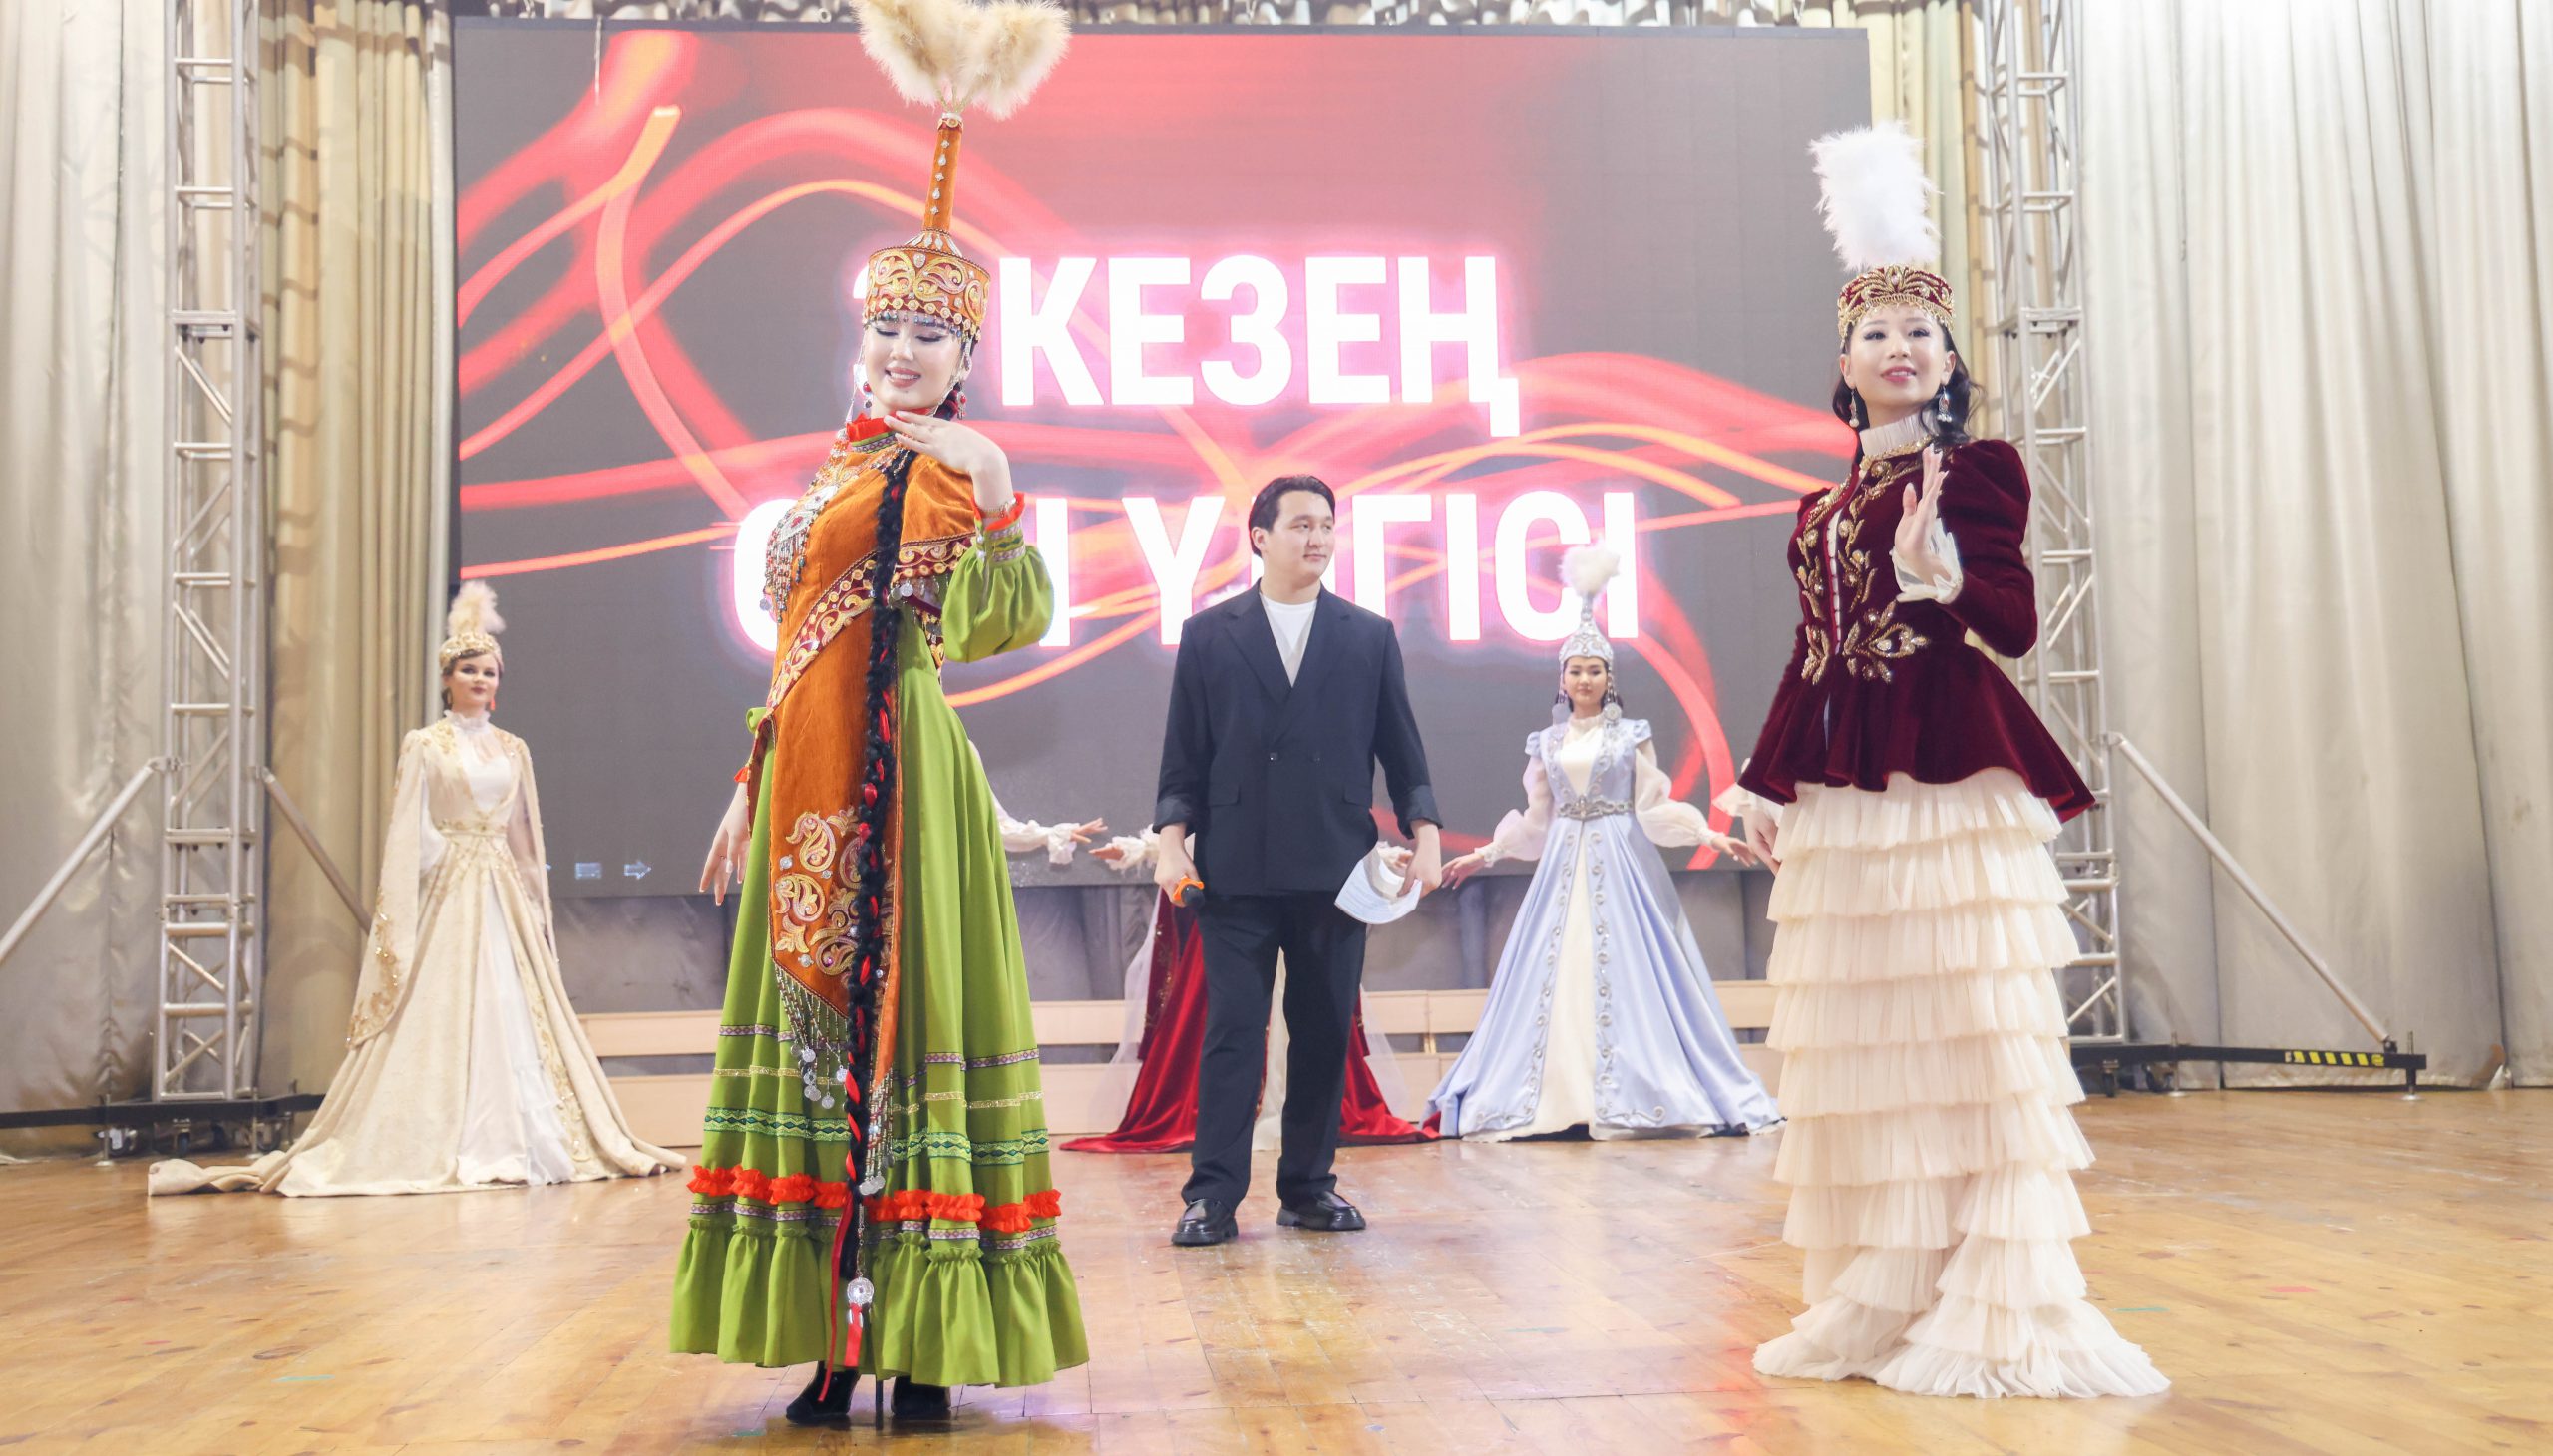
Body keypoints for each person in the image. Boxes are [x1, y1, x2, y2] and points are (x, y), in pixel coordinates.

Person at [667, 0, 1084, 1427]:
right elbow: (797, 650)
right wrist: (750, 780)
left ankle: (917, 1338)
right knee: (819, 1049)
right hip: (808, 773)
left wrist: (998, 481)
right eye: (887, 327)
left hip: (903, 787)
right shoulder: (839, 470)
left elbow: (999, 617)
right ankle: (835, 1335)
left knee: (902, 1035)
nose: (902, 351)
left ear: (966, 356)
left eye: (929, 333)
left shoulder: (951, 467)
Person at [1732, 123, 2166, 1399]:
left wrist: (1948, 576)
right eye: (1876, 332)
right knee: (1877, 1062)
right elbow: (1814, 653)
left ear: (1948, 359)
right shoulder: (1818, 508)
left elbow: (2016, 627)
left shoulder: (1976, 470)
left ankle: (1999, 1306)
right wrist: (1761, 780)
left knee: (1973, 1047)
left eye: (1921, 331)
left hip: (1946, 787)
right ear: (1843, 365)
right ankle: (1888, 1295)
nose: (1900, 347)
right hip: (1847, 801)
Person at [148, 585, 679, 1197]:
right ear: (447, 678)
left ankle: (526, 1134)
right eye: (468, 670)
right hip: (450, 888)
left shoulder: (513, 749)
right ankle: (438, 1135)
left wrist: (533, 901)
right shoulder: (424, 745)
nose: (479, 679)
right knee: (444, 1003)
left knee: (511, 1004)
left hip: (500, 889)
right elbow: (410, 830)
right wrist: (429, 881)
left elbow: (523, 835)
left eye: (488, 671)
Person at [1150, 474, 1443, 1247]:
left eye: (1326, 525)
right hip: (1234, 868)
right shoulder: (1209, 634)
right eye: (1301, 524)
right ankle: (1212, 1195)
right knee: (1233, 1032)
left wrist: (1427, 829)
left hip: (1334, 867)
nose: (1317, 538)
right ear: (1259, 537)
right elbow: (1183, 758)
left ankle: (1309, 1187)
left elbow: (1402, 748)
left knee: (1322, 1031)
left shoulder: (1368, 635)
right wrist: (1172, 841)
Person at [1428, 546, 1782, 1142]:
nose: (1585, 679)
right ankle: (1555, 1092)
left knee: (1631, 966)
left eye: (1594, 670)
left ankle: (1638, 1088)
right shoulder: (1545, 742)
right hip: (1563, 861)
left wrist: (1709, 836)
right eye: (1575, 671)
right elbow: (1537, 820)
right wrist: (1486, 854)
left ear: (1608, 678)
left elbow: (1653, 804)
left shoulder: (1631, 735)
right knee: (1553, 969)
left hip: (1620, 858)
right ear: (1562, 680)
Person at [1062, 828, 1432, 1154]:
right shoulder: (1221, 809)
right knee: (1229, 1019)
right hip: (1234, 921)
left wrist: (1387, 857)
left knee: (1306, 1011)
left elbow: (1333, 839)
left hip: (1295, 917)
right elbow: (1176, 841)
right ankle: (1231, 1126)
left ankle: (1301, 1119)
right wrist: (1129, 850)